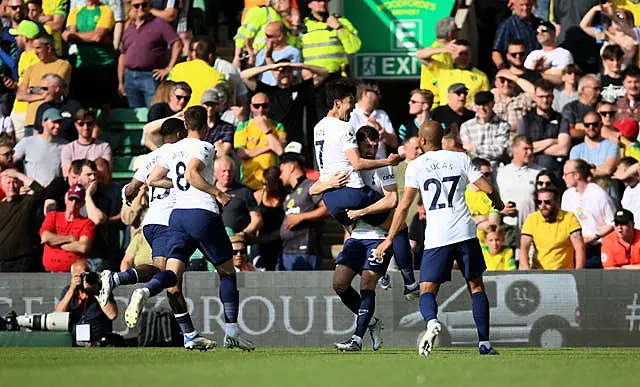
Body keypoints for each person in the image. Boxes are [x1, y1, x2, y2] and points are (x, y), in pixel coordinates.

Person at [374, 121, 504, 357]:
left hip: (437, 237)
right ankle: (484, 343)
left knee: (426, 290)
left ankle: (432, 321)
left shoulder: (415, 166)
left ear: (422, 141)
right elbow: (485, 187)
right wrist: (498, 200)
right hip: (465, 232)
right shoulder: (460, 158)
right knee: (476, 287)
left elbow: (404, 206)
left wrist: (389, 238)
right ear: (442, 138)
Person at [138, 106, 254, 351]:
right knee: (227, 272)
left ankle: (146, 292)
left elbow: (153, 179)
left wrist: (178, 188)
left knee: (174, 274)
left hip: (177, 217)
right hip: (202, 214)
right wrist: (218, 193)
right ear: (206, 125)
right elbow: (191, 172)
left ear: (185, 125)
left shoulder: (172, 149)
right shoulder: (205, 146)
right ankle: (232, 332)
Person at [313, 79, 400, 228]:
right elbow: (357, 164)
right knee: (397, 225)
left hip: (329, 198)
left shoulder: (318, 127)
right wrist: (388, 161)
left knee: (355, 230)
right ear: (337, 103)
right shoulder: (343, 127)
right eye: (351, 101)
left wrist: (328, 184)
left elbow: (314, 187)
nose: (353, 107)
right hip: (353, 192)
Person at [118, 0, 181, 108]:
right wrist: (120, 81)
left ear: (149, 6)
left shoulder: (160, 23)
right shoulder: (129, 28)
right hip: (129, 77)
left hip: (150, 76)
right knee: (135, 115)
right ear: (131, 7)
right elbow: (123, 55)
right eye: (136, 5)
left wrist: (169, 68)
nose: (140, 8)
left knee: (154, 112)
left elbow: (177, 43)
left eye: (144, 5)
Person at [278, 151, 329, 271]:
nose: (280, 176)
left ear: (291, 167)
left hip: (305, 251)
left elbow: (326, 209)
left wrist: (301, 217)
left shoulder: (310, 186)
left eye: (282, 171)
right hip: (287, 251)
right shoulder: (290, 193)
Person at [561, 159, 615, 268]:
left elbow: (612, 222)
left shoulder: (599, 195)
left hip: (596, 249)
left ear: (576, 175)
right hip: (574, 249)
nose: (563, 177)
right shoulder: (567, 195)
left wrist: (593, 237)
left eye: (566, 174)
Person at [520, 187, 586, 270]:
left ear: (557, 202)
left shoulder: (569, 218)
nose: (543, 205)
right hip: (538, 273)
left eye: (547, 202)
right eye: (539, 202)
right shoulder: (532, 219)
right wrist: (526, 271)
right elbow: (524, 248)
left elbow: (579, 247)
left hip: (564, 274)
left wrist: (578, 272)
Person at [55, 259, 117, 345]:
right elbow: (58, 315)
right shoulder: (68, 291)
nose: (82, 278)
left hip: (98, 342)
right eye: (78, 275)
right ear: (72, 276)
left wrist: (96, 291)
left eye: (85, 275)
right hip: (73, 342)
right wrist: (72, 289)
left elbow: (112, 315)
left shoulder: (101, 289)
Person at [234, 92, 286, 191]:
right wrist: (269, 147)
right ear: (251, 107)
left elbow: (279, 151)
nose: (261, 109)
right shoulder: (243, 127)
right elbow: (242, 153)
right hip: (249, 182)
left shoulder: (278, 126)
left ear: (269, 106)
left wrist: (265, 129)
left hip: (271, 182)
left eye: (264, 105)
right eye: (256, 106)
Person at [40, 183, 95, 272]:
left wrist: (55, 243)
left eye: (77, 200)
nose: (73, 203)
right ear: (66, 199)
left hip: (73, 273)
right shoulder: (53, 216)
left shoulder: (87, 223)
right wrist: (71, 238)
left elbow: (83, 247)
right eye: (71, 198)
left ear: (83, 203)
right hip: (50, 272)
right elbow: (45, 237)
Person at [0, 168, 44, 271]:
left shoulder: (27, 202)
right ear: (2, 185)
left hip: (21, 261)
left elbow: (40, 191)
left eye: (15, 182)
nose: (12, 186)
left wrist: (18, 175)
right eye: (8, 182)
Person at [13, 107, 68, 186]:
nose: (58, 126)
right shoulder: (27, 142)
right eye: (54, 122)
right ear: (43, 122)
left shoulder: (65, 145)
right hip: (32, 193)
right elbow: (9, 162)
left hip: (53, 194)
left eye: (60, 122)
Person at [167, 38, 225, 109]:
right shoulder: (218, 76)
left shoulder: (177, 68)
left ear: (194, 54)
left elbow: (166, 89)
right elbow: (222, 101)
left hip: (178, 114)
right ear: (210, 56)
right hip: (202, 116)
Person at [214, 155, 262, 237]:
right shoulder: (207, 192)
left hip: (238, 243)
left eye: (230, 171)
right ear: (215, 173)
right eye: (223, 171)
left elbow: (257, 219)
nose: (227, 174)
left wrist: (243, 234)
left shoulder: (244, 191)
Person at [460, 91, 511, 168]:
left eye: (485, 104)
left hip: (496, 168)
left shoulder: (503, 125)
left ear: (493, 104)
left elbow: (499, 151)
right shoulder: (466, 126)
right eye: (478, 105)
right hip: (474, 167)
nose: (482, 108)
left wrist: (475, 148)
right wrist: (489, 150)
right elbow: (467, 152)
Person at [348, 81, 398, 159]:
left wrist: (383, 133)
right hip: (361, 163)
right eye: (376, 93)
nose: (379, 96)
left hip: (381, 163)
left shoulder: (382, 114)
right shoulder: (351, 113)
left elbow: (394, 143)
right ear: (365, 93)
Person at [253, 166, 285, 271]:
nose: (263, 187)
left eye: (266, 184)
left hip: (281, 243)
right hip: (261, 243)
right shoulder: (258, 196)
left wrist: (275, 235)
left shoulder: (285, 197)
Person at [569, 111, 619, 178]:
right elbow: (573, 173)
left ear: (601, 125)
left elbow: (608, 169)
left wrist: (584, 169)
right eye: (587, 125)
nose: (591, 127)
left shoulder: (612, 145)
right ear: (583, 126)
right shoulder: (576, 149)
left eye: (595, 124)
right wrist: (597, 169)